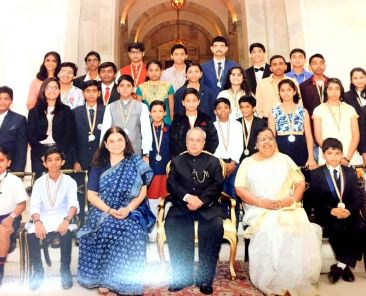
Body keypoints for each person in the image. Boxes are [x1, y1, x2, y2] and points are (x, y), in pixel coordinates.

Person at [235, 127, 322, 296]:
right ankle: (272, 280)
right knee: (272, 229)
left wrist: (290, 200)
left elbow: (300, 183)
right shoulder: (248, 162)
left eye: (270, 138)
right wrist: (262, 202)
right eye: (262, 139)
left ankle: (295, 279)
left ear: (275, 141)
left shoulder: (285, 159)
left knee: (303, 230)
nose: (267, 142)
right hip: (259, 208)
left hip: (287, 206)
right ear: (256, 144)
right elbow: (239, 189)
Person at [77, 126, 153, 296]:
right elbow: (92, 196)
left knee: (132, 232)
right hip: (103, 209)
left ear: (126, 141)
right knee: (107, 229)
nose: (116, 144)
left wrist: (128, 209)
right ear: (105, 144)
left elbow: (143, 191)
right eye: (111, 141)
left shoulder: (135, 162)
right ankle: (104, 279)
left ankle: (128, 281)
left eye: (120, 139)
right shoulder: (98, 165)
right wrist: (110, 210)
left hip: (130, 208)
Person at [165, 127, 225, 295]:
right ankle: (182, 277)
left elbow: (217, 185)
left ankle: (205, 278)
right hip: (182, 206)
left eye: (198, 140)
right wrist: (187, 198)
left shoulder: (213, 162)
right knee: (174, 225)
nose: (194, 143)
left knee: (214, 227)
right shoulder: (177, 161)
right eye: (191, 140)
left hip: (208, 207)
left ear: (204, 143)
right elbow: (171, 185)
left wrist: (201, 200)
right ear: (186, 142)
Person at [308, 138, 366, 284]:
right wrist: (331, 211)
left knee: (361, 227)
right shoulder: (316, 174)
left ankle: (340, 266)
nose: (333, 157)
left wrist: (348, 211)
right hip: (327, 214)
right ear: (323, 155)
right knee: (338, 228)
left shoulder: (350, 172)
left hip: (348, 212)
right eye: (329, 153)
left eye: (337, 153)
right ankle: (345, 267)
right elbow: (315, 200)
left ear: (342, 155)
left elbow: (358, 198)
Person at [27, 147, 79, 290]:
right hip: (43, 217)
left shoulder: (69, 181)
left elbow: (73, 204)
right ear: (44, 163)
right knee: (31, 233)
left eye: (57, 160)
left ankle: (65, 270)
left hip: (63, 216)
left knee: (66, 232)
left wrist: (66, 220)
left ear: (63, 162)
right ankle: (38, 272)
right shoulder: (38, 182)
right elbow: (34, 206)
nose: (53, 163)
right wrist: (37, 222)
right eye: (49, 160)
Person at [27, 77, 75, 178]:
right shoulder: (34, 111)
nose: (52, 90)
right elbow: (31, 135)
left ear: (59, 90)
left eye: (55, 87)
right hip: (39, 153)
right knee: (41, 185)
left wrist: (58, 154)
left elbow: (69, 134)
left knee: (61, 185)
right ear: (43, 90)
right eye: (48, 88)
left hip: (60, 152)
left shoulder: (66, 110)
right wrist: (43, 155)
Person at [73, 80, 105, 226]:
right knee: (81, 190)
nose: (91, 94)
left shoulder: (106, 110)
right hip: (82, 159)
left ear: (99, 93)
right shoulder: (75, 112)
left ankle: (97, 222)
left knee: (99, 189)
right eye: (88, 91)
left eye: (94, 91)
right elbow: (71, 138)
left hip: (101, 159)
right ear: (83, 93)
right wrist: (75, 160)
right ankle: (82, 220)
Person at [101, 74, 152, 160]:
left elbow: (146, 132)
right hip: (114, 152)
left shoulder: (142, 107)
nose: (125, 88)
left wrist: (146, 153)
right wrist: (103, 152)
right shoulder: (110, 107)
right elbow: (105, 131)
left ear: (133, 89)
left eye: (128, 86)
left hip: (136, 151)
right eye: (122, 86)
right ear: (117, 89)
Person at [268, 79, 316, 167]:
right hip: (281, 147)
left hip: (300, 147)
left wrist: (311, 157)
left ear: (294, 92)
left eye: (289, 90)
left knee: (301, 178)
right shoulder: (273, 112)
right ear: (279, 93)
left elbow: (309, 136)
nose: (286, 93)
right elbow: (271, 136)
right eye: (282, 90)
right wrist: (276, 154)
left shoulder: (303, 111)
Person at [313, 78, 361, 165]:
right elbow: (318, 137)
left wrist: (347, 158)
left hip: (350, 156)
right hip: (327, 157)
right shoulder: (318, 110)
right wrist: (332, 156)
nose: (334, 92)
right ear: (326, 91)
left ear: (341, 91)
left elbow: (356, 136)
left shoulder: (350, 109)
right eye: (330, 89)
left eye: (337, 88)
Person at [0, 146, 28, 287]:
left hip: (10, 215)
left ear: (8, 162)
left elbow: (22, 205)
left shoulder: (14, 180)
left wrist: (11, 217)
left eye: (1, 160)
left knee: (3, 230)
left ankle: (0, 266)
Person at [213, 98, 243, 222]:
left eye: (225, 107)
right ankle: (222, 224)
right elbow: (211, 147)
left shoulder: (236, 124)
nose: (222, 110)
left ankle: (234, 224)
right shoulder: (212, 126)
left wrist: (233, 162)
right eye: (219, 108)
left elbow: (240, 145)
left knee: (232, 191)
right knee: (220, 193)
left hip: (234, 163)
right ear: (215, 111)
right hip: (218, 164)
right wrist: (221, 164)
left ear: (230, 110)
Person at [147, 100, 171, 240]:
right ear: (150, 113)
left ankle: (163, 226)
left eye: (160, 111)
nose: (157, 114)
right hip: (151, 170)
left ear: (165, 113)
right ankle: (153, 226)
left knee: (165, 199)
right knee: (152, 199)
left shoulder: (170, 128)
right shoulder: (145, 129)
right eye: (154, 111)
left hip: (166, 170)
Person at [170, 88, 218, 157]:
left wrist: (202, 154)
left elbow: (213, 140)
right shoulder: (177, 120)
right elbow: (173, 142)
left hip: (203, 158)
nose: (191, 104)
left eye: (194, 101)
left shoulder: (206, 118)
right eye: (188, 101)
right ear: (183, 102)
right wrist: (184, 155)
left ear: (198, 102)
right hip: (182, 158)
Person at [299, 53, 329, 163]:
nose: (319, 66)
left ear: (325, 65)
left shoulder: (332, 83)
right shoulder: (303, 86)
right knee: (316, 164)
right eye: (315, 63)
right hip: (312, 129)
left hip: (330, 129)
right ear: (310, 67)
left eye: (321, 63)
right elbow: (303, 109)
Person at [256, 55, 301, 119]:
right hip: (267, 120)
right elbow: (258, 105)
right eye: (274, 64)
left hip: (289, 119)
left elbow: (299, 101)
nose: (278, 67)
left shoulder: (292, 81)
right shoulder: (262, 83)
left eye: (281, 64)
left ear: (285, 67)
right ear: (270, 68)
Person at [0, 86, 27, 171]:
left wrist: (18, 172)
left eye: (6, 99)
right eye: (0, 98)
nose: (2, 102)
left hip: (10, 167)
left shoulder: (19, 120)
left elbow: (21, 149)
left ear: (11, 101)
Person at [344, 67, 366, 165]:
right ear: (351, 80)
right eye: (355, 78)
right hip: (358, 136)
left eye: (362, 77)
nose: (359, 80)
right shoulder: (346, 96)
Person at [237, 95, 267, 162]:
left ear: (254, 108)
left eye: (247, 107)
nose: (244, 110)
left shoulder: (262, 123)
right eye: (242, 107)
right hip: (239, 158)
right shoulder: (236, 123)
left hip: (258, 158)